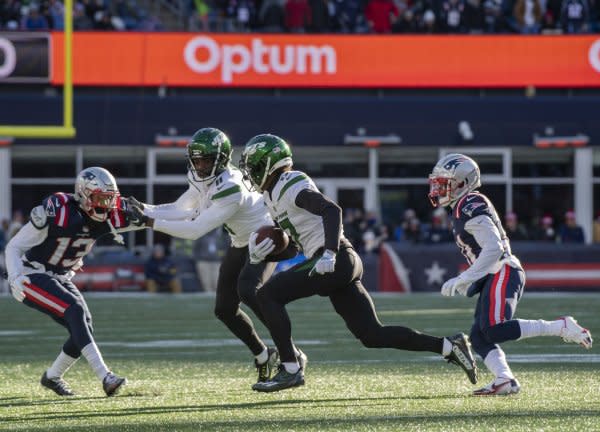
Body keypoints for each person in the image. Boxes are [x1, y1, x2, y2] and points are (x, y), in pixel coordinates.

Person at [238, 134, 478, 393]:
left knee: (268, 295)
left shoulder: (289, 182)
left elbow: (332, 211)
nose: (250, 173)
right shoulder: (272, 196)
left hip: (336, 258)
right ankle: (448, 346)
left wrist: (329, 253)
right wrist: (265, 255)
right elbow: (298, 245)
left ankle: (291, 368)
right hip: (334, 260)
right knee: (372, 335)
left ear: (270, 164)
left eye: (254, 166)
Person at [124, 127, 305, 384]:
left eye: (206, 160)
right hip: (241, 241)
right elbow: (181, 209)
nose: (199, 165)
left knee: (249, 290)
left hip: (266, 238)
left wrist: (149, 222)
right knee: (224, 309)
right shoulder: (203, 179)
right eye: (196, 160)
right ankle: (264, 355)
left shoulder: (230, 186)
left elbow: (195, 228)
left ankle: (292, 356)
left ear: (221, 159)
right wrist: (145, 211)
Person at [428, 153, 593, 396]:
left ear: (462, 182)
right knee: (480, 336)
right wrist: (473, 278)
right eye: (438, 183)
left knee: (494, 329)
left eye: (444, 183)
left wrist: (465, 277)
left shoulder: (469, 203)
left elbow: (493, 248)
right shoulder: (461, 207)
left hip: (502, 269)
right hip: (494, 273)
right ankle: (505, 379)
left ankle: (561, 326)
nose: (438, 188)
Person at [4, 167, 136, 397]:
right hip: (31, 274)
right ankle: (106, 376)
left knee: (84, 324)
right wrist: (15, 277)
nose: (106, 205)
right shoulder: (59, 212)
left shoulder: (106, 216)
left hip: (60, 276)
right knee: (74, 311)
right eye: (100, 198)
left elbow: (151, 218)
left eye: (109, 199)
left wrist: (190, 212)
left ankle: (52, 377)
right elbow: (14, 246)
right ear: (84, 195)